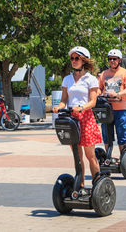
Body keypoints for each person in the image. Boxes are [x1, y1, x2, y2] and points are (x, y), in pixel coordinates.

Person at [53, 46, 102, 187]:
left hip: (86, 119)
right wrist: (59, 107)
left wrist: (81, 108)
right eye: (72, 58)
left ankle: (97, 185)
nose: (73, 61)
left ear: (83, 60)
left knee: (90, 156)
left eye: (77, 58)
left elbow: (93, 102)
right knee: (77, 156)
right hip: (72, 120)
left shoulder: (91, 79)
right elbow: (64, 100)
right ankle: (79, 186)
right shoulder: (67, 79)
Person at [99, 49, 126, 153]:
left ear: (119, 60)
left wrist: (118, 94)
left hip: (120, 109)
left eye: (114, 59)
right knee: (106, 133)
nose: (112, 61)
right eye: (110, 59)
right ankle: (108, 157)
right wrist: (98, 95)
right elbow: (99, 88)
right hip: (106, 109)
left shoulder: (125, 73)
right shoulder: (104, 74)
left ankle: (123, 157)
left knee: (121, 133)